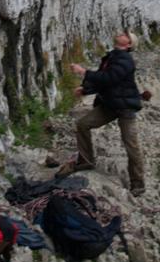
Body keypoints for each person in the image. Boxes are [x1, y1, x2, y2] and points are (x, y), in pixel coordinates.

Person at [57, 31, 146, 196]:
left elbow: (109, 78)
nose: (121, 33)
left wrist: (83, 72)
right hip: (111, 104)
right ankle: (86, 161)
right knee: (83, 125)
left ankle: (138, 184)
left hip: (126, 107)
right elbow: (103, 82)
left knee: (131, 146)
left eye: (126, 34)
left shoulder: (125, 60)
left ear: (128, 45)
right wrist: (86, 89)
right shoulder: (112, 57)